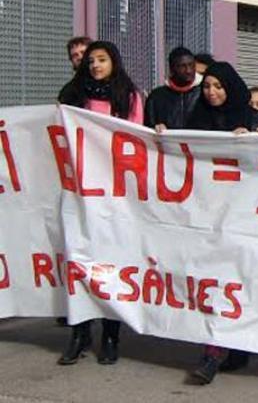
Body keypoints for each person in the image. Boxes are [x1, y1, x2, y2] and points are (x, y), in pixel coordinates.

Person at [56, 40, 144, 366]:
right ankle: (79, 332)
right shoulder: (73, 94)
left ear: (114, 62)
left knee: (110, 262)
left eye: (101, 59)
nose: (94, 65)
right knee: (78, 259)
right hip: (78, 190)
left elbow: (135, 138)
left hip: (112, 193)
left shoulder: (129, 96)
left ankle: (110, 333)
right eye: (90, 60)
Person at [186, 62, 258, 384]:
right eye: (207, 86)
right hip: (208, 214)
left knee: (236, 282)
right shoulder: (197, 119)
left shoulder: (250, 119)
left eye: (218, 86)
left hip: (243, 217)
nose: (211, 92)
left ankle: (225, 350)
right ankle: (216, 350)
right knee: (216, 281)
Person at [144, 46, 201, 131]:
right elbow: (148, 130)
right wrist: (156, 127)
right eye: (182, 66)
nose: (188, 70)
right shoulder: (156, 97)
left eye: (191, 65)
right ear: (172, 68)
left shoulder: (203, 93)